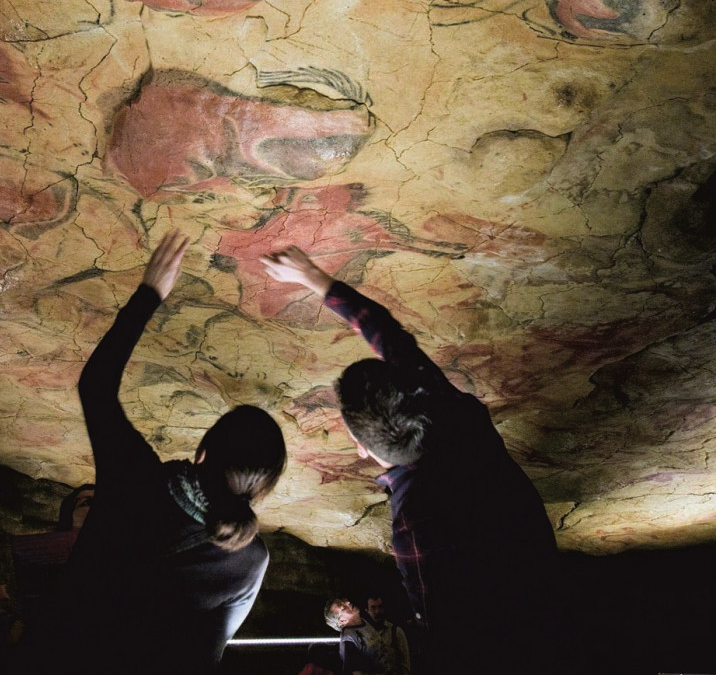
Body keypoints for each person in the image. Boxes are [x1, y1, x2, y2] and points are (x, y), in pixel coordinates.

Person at [262, 247, 558, 674]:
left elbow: (444, 621)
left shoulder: (414, 520)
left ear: (360, 447)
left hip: (514, 632)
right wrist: (316, 278)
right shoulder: (455, 413)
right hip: (531, 558)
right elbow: (392, 339)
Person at [31, 230, 287, 674]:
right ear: (263, 489)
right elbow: (210, 651)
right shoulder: (250, 559)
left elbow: (96, 386)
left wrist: (150, 293)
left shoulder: (136, 479)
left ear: (203, 450)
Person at [324, 596, 409, 675]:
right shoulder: (349, 640)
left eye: (344, 601)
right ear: (342, 621)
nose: (348, 602)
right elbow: (357, 673)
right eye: (343, 607)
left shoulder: (364, 622)